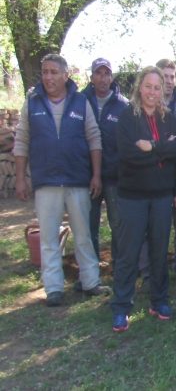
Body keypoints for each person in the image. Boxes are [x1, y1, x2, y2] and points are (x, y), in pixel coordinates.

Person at [13, 53, 107, 306]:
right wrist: (20, 178)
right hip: (46, 181)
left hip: (77, 179)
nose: (49, 77)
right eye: (45, 72)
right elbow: (21, 140)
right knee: (49, 238)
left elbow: (94, 138)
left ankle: (90, 282)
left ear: (66, 75)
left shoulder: (80, 102)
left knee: (84, 234)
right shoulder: (32, 102)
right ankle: (53, 288)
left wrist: (96, 174)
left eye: (54, 72)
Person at [111, 66, 176, 332]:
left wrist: (153, 147)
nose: (153, 92)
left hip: (162, 196)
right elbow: (129, 154)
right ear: (140, 87)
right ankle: (121, 306)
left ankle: (159, 300)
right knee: (129, 253)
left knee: (159, 250)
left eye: (157, 87)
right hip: (133, 197)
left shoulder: (167, 118)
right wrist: (161, 154)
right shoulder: (127, 117)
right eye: (148, 86)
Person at [137, 59, 176, 279]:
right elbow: (139, 148)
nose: (168, 81)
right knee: (149, 229)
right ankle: (148, 272)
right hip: (147, 180)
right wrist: (164, 146)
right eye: (164, 77)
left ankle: (175, 268)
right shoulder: (139, 112)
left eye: (172, 77)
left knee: (174, 228)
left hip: (174, 178)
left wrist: (157, 147)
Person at [83, 58, 129, 263]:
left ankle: (120, 266)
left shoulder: (123, 105)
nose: (102, 78)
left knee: (118, 224)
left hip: (114, 176)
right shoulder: (80, 101)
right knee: (88, 224)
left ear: (112, 77)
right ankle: (91, 269)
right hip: (85, 175)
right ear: (91, 77)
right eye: (98, 73)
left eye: (106, 74)